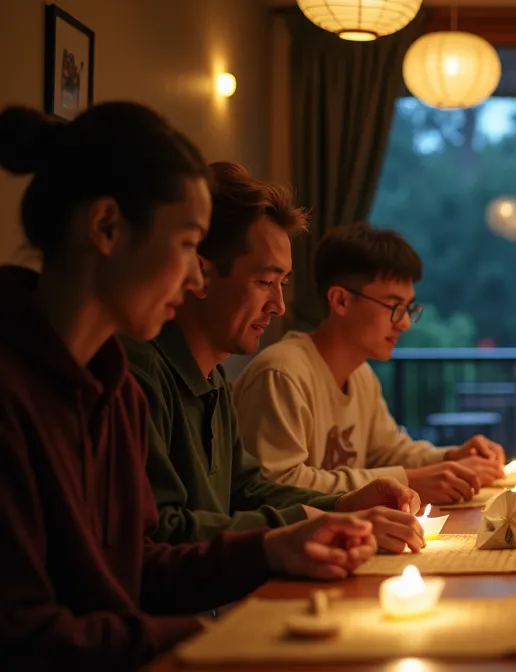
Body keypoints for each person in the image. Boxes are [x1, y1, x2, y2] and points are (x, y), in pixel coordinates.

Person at [0, 102, 377, 670]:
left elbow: (138, 568)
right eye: (184, 246)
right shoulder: (17, 387)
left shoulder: (112, 389)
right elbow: (21, 633)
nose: (196, 274)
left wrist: (279, 543)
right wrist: (215, 644)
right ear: (106, 228)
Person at [123, 162, 426, 553]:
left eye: (282, 283)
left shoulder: (212, 377)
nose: (279, 306)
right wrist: (314, 522)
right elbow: (160, 536)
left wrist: (343, 505)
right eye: (265, 282)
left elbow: (246, 488)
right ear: (201, 274)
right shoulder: (138, 374)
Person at [233, 222, 505, 503]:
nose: (404, 323)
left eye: (409, 308)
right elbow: (276, 484)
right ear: (340, 300)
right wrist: (408, 481)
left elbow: (389, 451)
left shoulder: (361, 376)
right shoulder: (282, 374)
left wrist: (451, 457)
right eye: (394, 307)